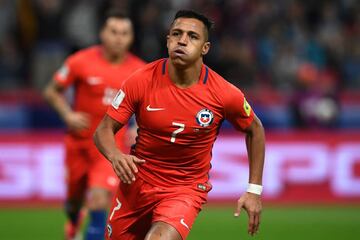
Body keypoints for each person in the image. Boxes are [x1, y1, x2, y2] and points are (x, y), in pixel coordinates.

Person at [94, 10, 265, 240]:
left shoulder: (223, 93)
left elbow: (255, 129)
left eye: (193, 36)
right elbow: (103, 129)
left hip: (184, 188)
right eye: (176, 34)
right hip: (136, 184)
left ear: (205, 48)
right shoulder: (141, 80)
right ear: (168, 41)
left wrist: (254, 190)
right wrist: (115, 155)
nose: (182, 40)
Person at [43, 10, 145, 240]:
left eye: (124, 33)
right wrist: (67, 115)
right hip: (78, 143)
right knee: (73, 202)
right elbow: (51, 91)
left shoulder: (140, 71)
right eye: (114, 32)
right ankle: (73, 220)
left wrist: (137, 125)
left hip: (110, 148)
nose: (119, 38)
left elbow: (151, 104)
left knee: (99, 199)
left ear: (131, 38)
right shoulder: (80, 61)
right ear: (102, 34)